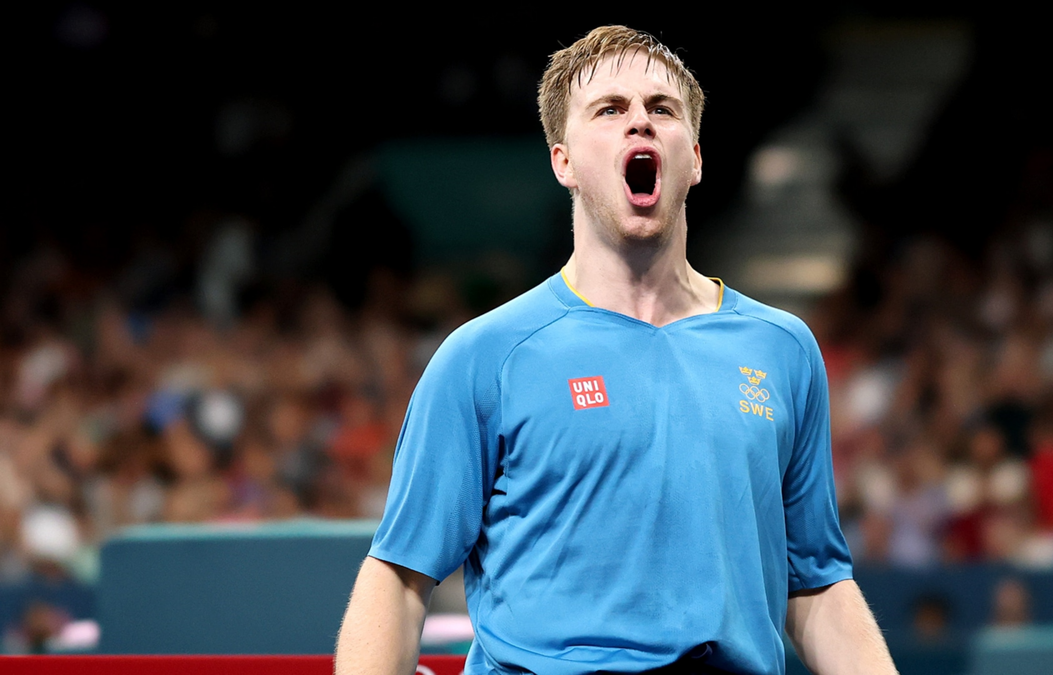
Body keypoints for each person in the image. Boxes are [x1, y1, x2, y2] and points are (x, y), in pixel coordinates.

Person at [335, 26, 898, 675]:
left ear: (696, 156)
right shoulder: (485, 355)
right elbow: (399, 579)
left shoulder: (783, 349)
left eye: (662, 109)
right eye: (610, 110)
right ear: (563, 161)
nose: (640, 124)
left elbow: (818, 584)